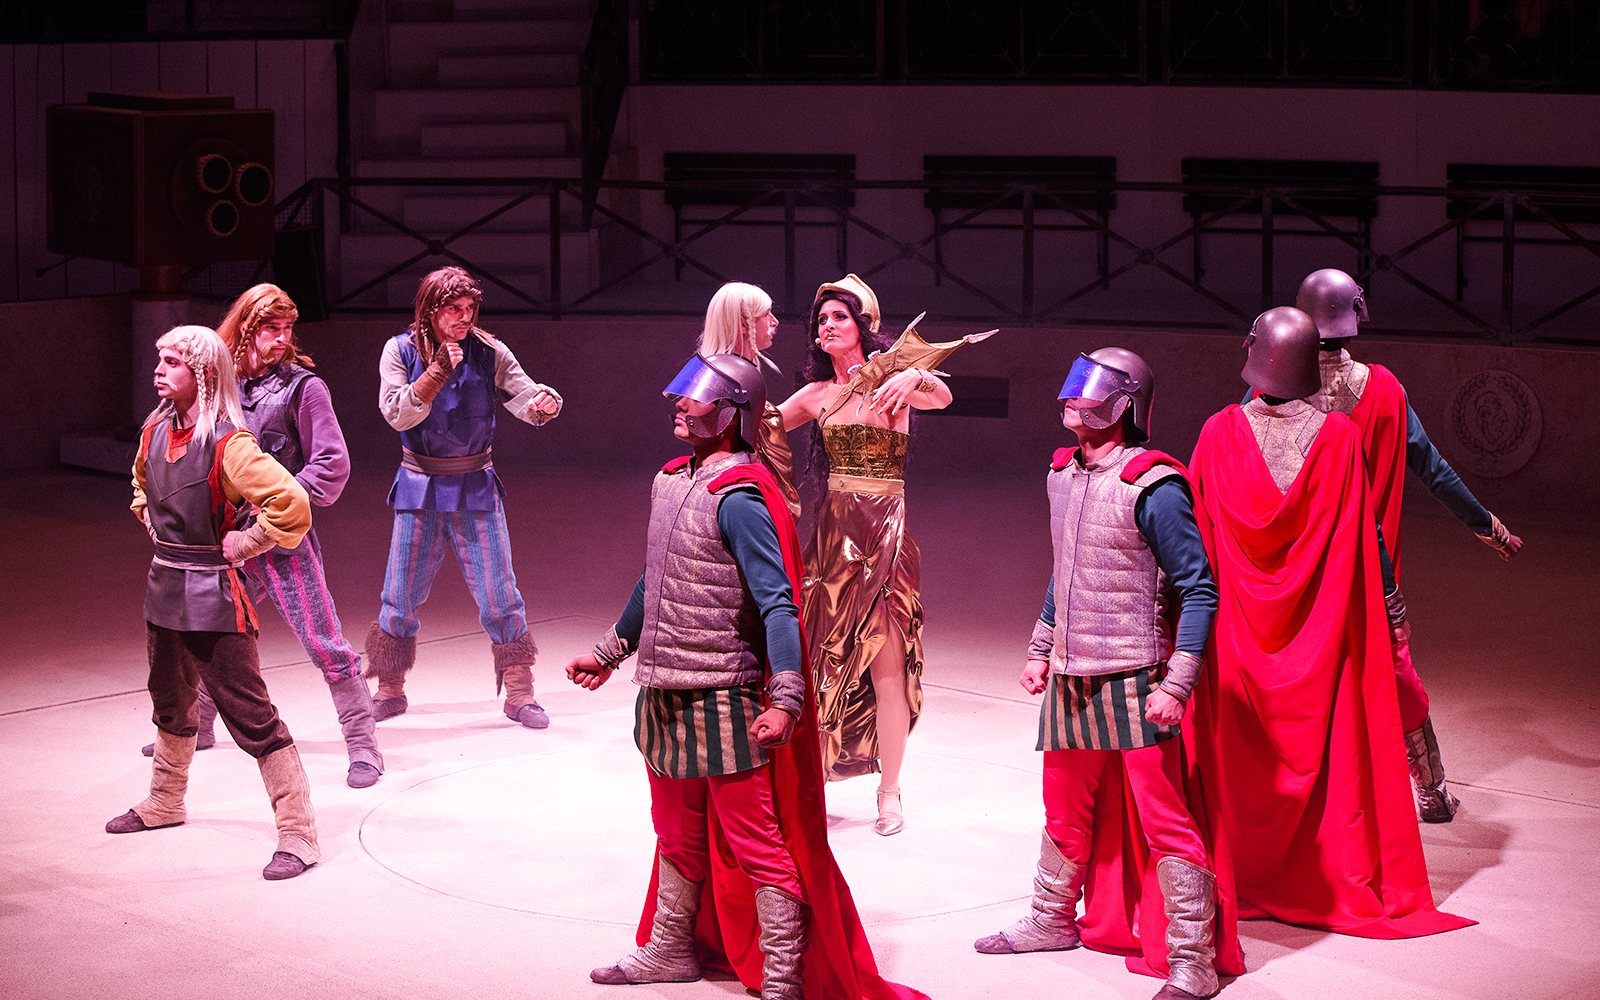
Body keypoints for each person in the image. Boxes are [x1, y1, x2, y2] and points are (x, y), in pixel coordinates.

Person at [565, 353, 923, 1000]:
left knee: (758, 843)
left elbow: (778, 601)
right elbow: (658, 579)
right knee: (674, 832)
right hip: (662, 690)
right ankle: (671, 948)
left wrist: (785, 697)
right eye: (680, 398)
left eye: (695, 401)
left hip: (723, 697)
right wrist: (610, 651)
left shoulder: (742, 497)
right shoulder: (672, 480)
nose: (679, 406)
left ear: (730, 415)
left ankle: (783, 978)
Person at [1191, 307, 1473, 937]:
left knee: (1238, 756)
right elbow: (1368, 536)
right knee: (1333, 747)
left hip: (1236, 636)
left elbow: (1193, 537)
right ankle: (1330, 870)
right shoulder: (1339, 439)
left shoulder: (1216, 434)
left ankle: (1243, 869)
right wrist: (1393, 612)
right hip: (1320, 641)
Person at [974, 348, 1242, 1000]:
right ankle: (1048, 919)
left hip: (1134, 675)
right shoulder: (1063, 472)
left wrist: (1177, 684)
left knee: (1164, 820)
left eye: (1087, 394)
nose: (1072, 403)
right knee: (1063, 808)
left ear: (1123, 404)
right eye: (1070, 392)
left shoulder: (1155, 485)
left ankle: (1192, 961)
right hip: (1071, 673)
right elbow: (1063, 567)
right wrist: (1041, 647)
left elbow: (1198, 589)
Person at [1293, 267, 1523, 822]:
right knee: (1394, 668)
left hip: (1296, 561)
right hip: (1369, 564)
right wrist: (1488, 526)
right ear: (1354, 317)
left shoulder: (1271, 387)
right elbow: (1434, 470)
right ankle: (1432, 789)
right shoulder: (1385, 390)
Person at [144, 283, 384, 789]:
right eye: (271, 329)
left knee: (323, 640)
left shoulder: (303, 388)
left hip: (279, 539)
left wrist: (271, 498)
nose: (282, 339)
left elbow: (331, 465)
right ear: (248, 328)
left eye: (287, 329)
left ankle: (363, 743)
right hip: (220, 540)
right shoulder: (216, 381)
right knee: (205, 631)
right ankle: (199, 726)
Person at [108, 324, 321, 880]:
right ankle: (164, 801)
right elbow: (139, 485)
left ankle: (298, 833)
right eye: (159, 358)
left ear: (202, 375)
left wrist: (249, 541)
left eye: (173, 362)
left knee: (249, 714)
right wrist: (149, 518)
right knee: (170, 699)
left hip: (212, 593)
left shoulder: (230, 442)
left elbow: (291, 504)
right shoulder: (155, 428)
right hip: (164, 586)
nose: (159, 369)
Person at [775, 274, 950, 836]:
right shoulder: (818, 396)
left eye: (839, 318)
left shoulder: (893, 381)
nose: (828, 326)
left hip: (885, 539)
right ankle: (813, 781)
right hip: (832, 541)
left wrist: (916, 374)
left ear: (863, 326)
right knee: (820, 663)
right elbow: (762, 426)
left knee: (888, 669)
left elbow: (943, 395)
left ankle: (890, 791)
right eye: (821, 320)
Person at [365, 267, 563, 729]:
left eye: (470, 308)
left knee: (500, 591)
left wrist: (544, 403)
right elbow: (396, 413)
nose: (464, 317)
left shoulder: (490, 350)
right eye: (454, 309)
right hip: (420, 483)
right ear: (430, 310)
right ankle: (389, 686)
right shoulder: (399, 351)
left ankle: (519, 692)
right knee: (401, 591)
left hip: (475, 482)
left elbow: (524, 395)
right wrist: (435, 373)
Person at [695, 281, 799, 516]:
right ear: (744, 323)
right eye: (766, 314)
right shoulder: (724, 382)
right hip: (738, 501)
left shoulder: (723, 376)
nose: (775, 321)